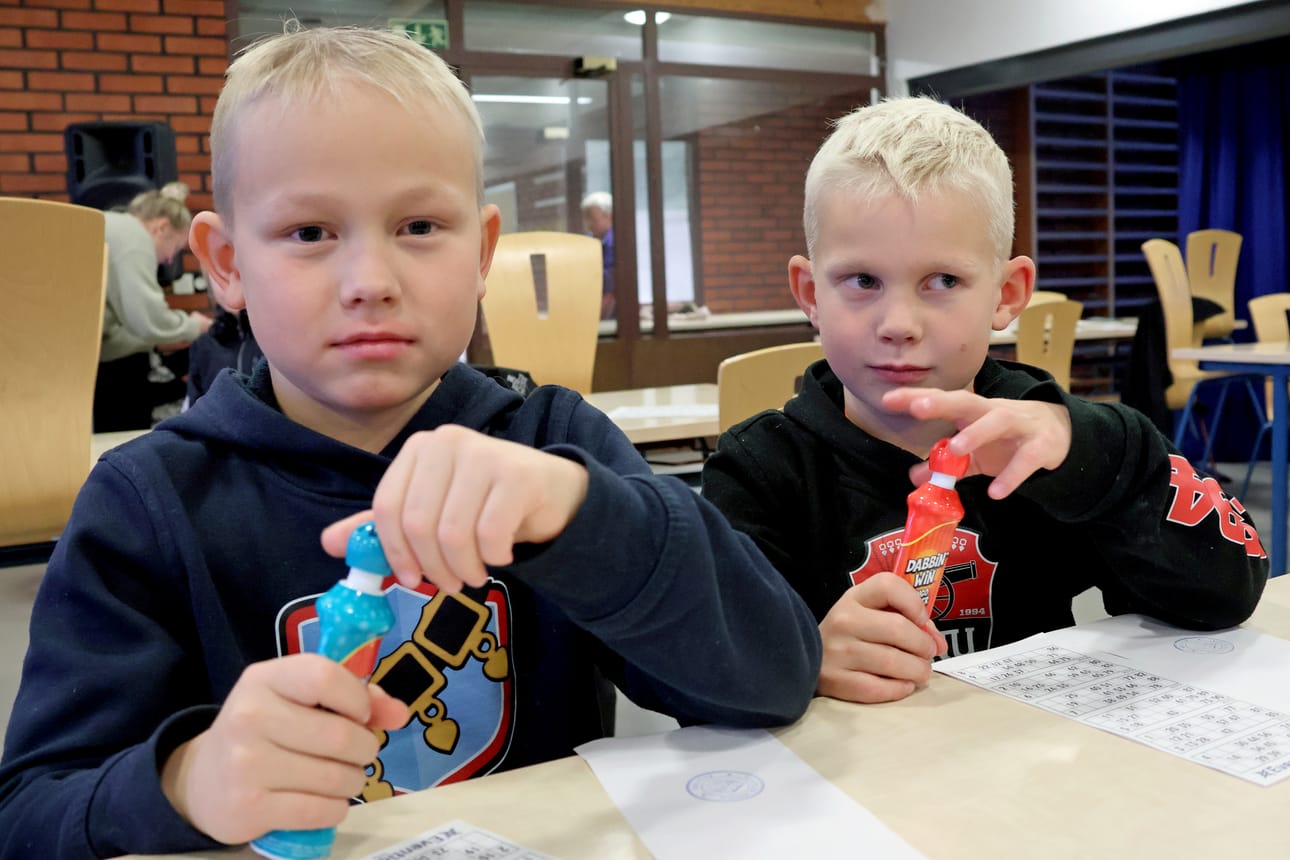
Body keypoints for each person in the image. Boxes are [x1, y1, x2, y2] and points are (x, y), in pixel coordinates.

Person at [0, 26, 821, 858]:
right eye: (310, 233)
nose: (371, 283)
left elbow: (771, 681)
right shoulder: (147, 502)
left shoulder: (554, 443)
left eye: (421, 225)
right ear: (225, 263)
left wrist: (581, 515)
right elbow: (29, 811)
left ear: (483, 253)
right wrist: (181, 781)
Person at [701, 96, 1268, 707]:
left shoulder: (1052, 443)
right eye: (862, 281)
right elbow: (691, 670)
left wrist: (1096, 462)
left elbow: (1226, 591)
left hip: (1030, 776)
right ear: (811, 294)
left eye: (942, 281)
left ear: (1007, 293)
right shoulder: (761, 470)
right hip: (851, 786)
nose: (899, 324)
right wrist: (799, 656)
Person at [95, 181, 213, 431]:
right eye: (175, 248)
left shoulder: (112, 227)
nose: (169, 259)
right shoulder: (134, 238)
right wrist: (194, 325)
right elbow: (149, 323)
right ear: (162, 227)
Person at [580, 190, 615, 319]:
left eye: (593, 219)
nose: (588, 224)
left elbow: (611, 290)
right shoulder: (591, 240)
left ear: (609, 216)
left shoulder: (613, 242)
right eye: (586, 219)